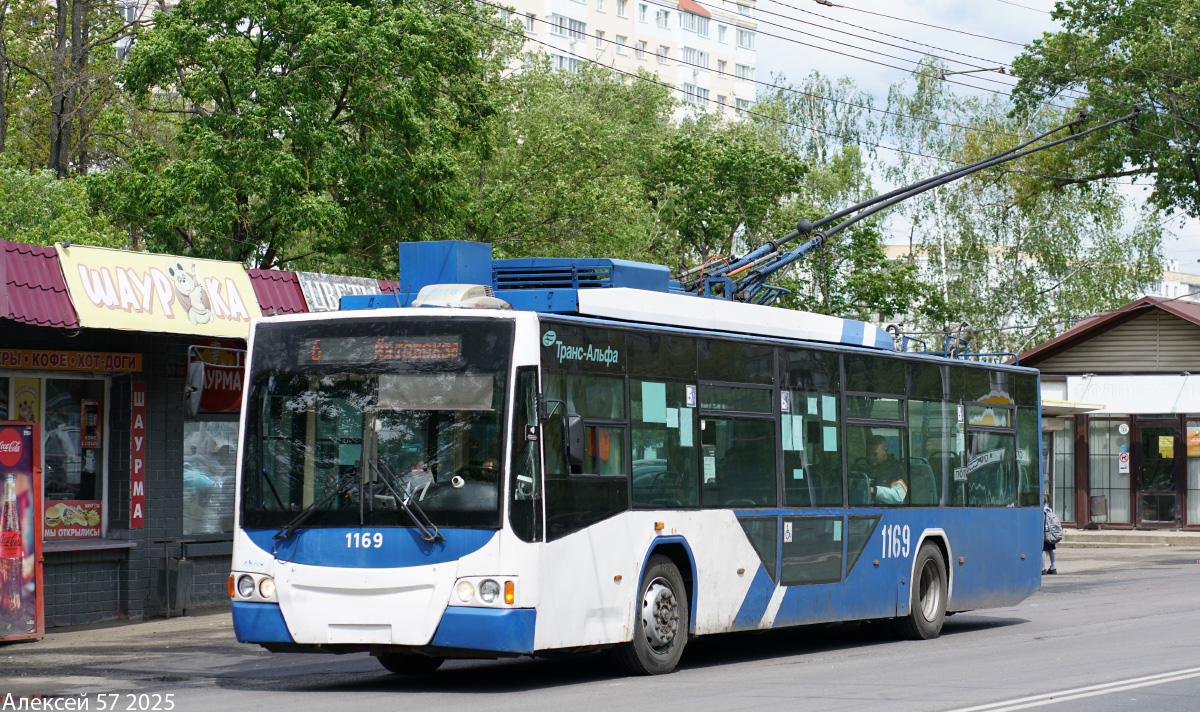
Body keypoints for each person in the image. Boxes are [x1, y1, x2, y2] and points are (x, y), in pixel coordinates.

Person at [863, 434, 908, 505]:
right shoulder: (863, 469)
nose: (871, 458)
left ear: (886, 451)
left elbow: (898, 496)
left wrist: (874, 491)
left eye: (875, 454)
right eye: (868, 454)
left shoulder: (897, 470)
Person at [1043, 494, 1061, 574]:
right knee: (1050, 550)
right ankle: (1053, 567)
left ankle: (1042, 568)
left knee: (1043, 550)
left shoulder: (1042, 511)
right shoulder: (1049, 510)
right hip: (1050, 533)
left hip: (1045, 533)